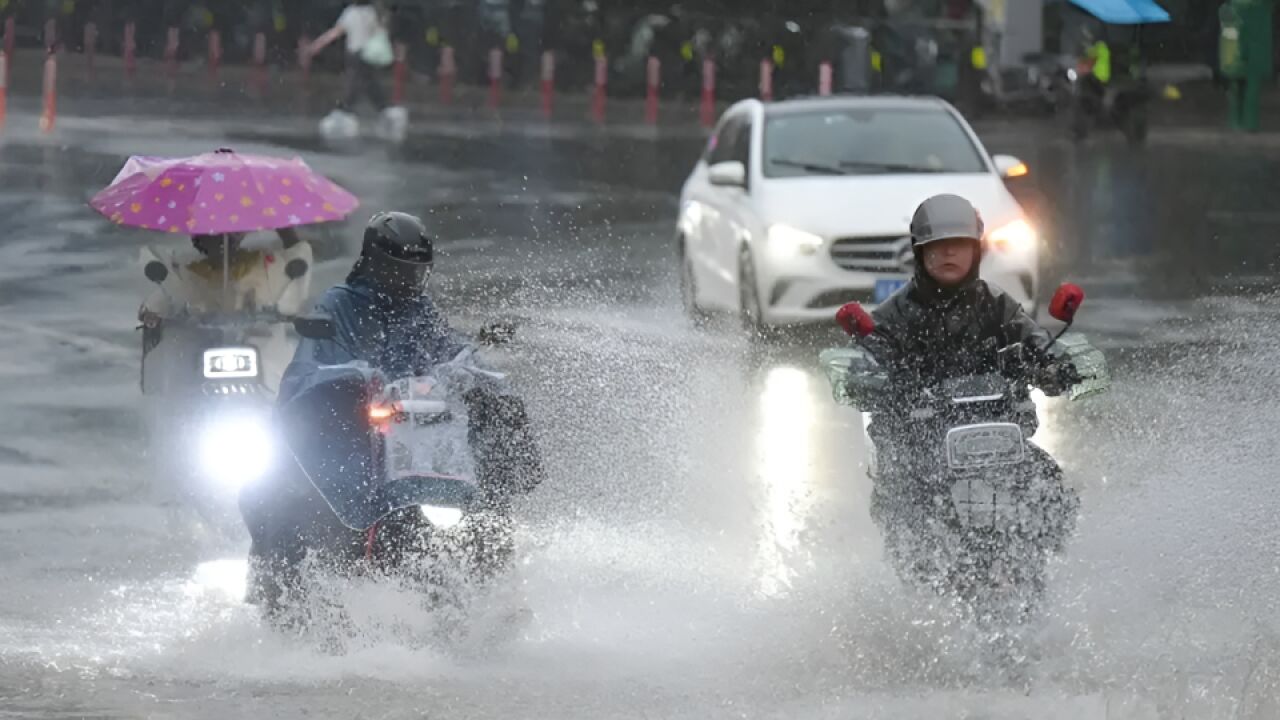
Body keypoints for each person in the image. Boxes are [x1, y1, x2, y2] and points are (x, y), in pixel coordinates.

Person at [240, 212, 543, 615]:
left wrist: (474, 369)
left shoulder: (421, 310)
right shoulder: (339, 304)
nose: (409, 281)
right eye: (400, 271)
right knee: (293, 494)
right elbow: (314, 366)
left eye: (416, 272)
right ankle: (298, 587)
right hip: (354, 434)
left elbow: (447, 349)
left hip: (418, 437)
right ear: (375, 262)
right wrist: (355, 380)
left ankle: (496, 591)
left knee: (486, 494)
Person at [138, 228, 312, 395]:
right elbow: (166, 295)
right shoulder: (187, 273)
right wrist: (152, 314)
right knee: (178, 381)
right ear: (198, 240)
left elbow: (295, 262)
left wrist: (284, 228)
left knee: (286, 383)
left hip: (258, 348)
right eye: (212, 236)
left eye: (229, 236)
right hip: (201, 349)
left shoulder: (263, 265)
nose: (221, 241)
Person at [304, 1, 407, 139]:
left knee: (356, 86)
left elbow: (335, 32)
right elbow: (380, 31)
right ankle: (385, 110)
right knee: (370, 85)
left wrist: (316, 45)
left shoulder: (350, 13)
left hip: (355, 56)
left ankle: (344, 111)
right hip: (369, 56)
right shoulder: (372, 13)